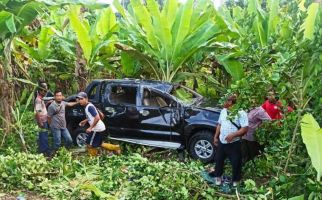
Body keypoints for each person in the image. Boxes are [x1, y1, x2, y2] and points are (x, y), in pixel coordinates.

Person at [213, 95, 249, 187]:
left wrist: (233, 135)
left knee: (236, 162)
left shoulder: (241, 112)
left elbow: (245, 128)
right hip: (222, 141)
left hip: (234, 143)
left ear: (230, 102)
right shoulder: (223, 111)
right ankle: (218, 177)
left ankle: (236, 180)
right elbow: (219, 124)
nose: (222, 103)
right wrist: (216, 137)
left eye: (224, 101)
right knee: (218, 160)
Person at [77, 92, 121, 156]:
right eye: (79, 99)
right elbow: (93, 116)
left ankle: (93, 158)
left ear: (86, 99)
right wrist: (85, 121)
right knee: (99, 143)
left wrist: (90, 128)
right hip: (100, 128)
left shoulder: (89, 107)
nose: (80, 101)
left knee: (89, 144)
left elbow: (97, 118)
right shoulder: (88, 106)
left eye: (81, 99)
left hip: (97, 129)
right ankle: (116, 147)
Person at [34, 81, 51, 155]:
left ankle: (43, 150)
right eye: (44, 90)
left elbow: (41, 109)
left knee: (44, 135)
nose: (45, 92)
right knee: (43, 136)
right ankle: (44, 151)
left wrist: (47, 103)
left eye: (46, 90)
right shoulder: (38, 100)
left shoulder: (41, 99)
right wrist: (40, 122)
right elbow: (37, 112)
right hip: (42, 121)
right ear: (40, 90)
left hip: (44, 120)